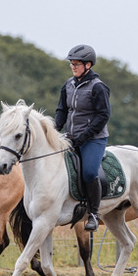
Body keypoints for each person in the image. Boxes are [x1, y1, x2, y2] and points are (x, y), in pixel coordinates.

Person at [55, 44, 111, 232]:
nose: (73, 67)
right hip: (71, 137)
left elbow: (103, 115)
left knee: (88, 172)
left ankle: (94, 213)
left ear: (88, 65)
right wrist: (54, 131)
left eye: (77, 64)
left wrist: (83, 136)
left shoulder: (98, 87)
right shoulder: (68, 85)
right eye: (72, 64)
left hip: (94, 139)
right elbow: (62, 110)